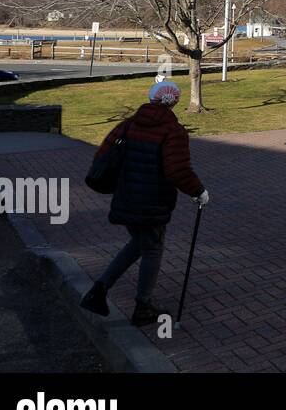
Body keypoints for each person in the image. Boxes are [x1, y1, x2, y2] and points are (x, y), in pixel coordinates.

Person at [80, 80, 208, 327]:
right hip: (152, 203)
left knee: (138, 244)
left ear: (151, 99)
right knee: (152, 249)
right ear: (174, 102)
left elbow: (102, 155)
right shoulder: (173, 131)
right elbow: (177, 170)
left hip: (127, 197)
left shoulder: (128, 125)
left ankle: (98, 291)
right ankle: (142, 306)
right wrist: (198, 191)